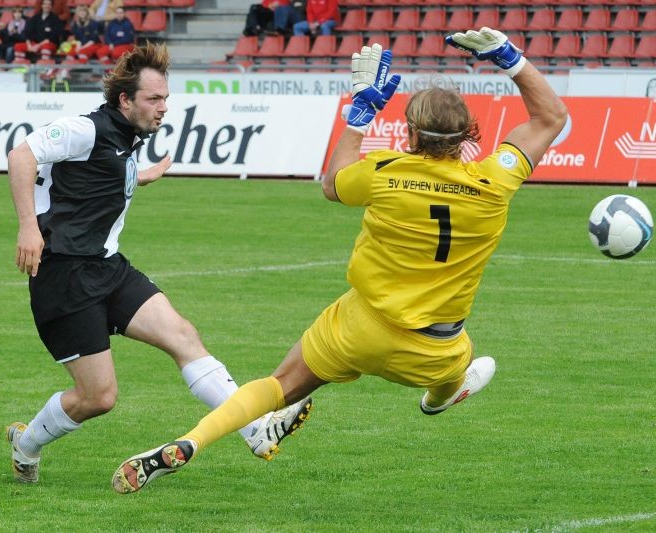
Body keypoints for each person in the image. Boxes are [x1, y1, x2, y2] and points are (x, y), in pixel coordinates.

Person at [111, 28, 568, 494]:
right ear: (469, 134)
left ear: (411, 133)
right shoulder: (495, 182)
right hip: (434, 346)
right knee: (459, 368)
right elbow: (551, 117)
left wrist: (361, 115)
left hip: (361, 326)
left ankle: (192, 440)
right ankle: (439, 397)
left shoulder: (385, 172)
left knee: (279, 386)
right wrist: (510, 58)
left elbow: (332, 184)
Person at [5, 42, 312, 485]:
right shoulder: (85, 129)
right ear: (125, 100)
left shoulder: (126, 139)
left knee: (182, 335)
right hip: (64, 277)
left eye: (165, 98)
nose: (163, 107)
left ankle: (255, 428)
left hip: (108, 267)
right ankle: (27, 443)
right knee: (98, 397)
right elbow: (21, 155)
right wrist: (27, 227)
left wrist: (140, 175)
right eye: (153, 98)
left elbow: (98, 178)